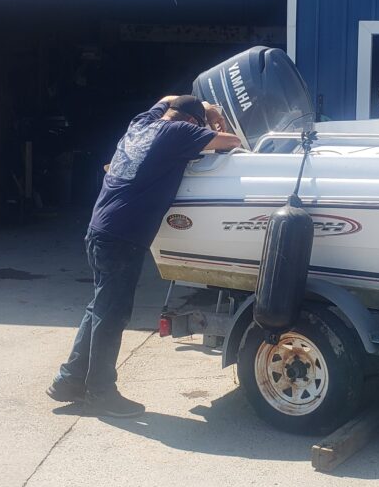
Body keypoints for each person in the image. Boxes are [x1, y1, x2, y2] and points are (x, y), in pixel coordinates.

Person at [48, 94, 241, 416]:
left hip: (100, 230)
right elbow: (231, 141)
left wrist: (204, 108)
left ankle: (69, 381)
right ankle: (101, 393)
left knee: (100, 309)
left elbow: (166, 98)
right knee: (112, 316)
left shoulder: (142, 123)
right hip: (123, 236)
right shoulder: (180, 134)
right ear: (192, 123)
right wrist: (212, 117)